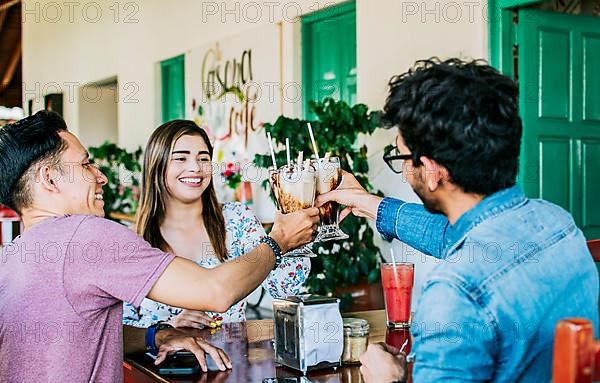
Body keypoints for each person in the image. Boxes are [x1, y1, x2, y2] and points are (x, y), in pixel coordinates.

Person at [317, 58, 599, 382]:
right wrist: (368, 204)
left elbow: (465, 256)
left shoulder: (455, 293)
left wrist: (390, 379)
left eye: (401, 157)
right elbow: (454, 237)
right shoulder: (557, 222)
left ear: (433, 170)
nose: (405, 171)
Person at [0, 111, 319, 382]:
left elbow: (83, 336)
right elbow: (216, 292)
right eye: (85, 165)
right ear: (50, 179)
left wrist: (156, 335)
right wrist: (279, 242)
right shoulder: (87, 235)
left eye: (202, 157)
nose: (101, 177)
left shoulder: (13, 256)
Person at [123, 120, 310, 328]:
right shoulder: (132, 242)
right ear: (157, 165)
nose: (195, 168)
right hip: (162, 361)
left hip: (232, 357)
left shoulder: (237, 219)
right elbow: (119, 329)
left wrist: (293, 231)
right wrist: (166, 328)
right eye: (181, 158)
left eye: (203, 158)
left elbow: (285, 288)